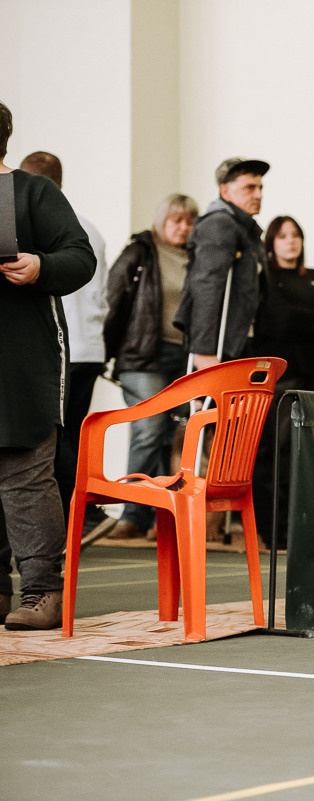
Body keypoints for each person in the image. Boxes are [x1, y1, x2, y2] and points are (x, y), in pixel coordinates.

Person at [0, 101, 97, 629]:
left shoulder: (35, 192)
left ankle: (41, 593)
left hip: (23, 357)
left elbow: (80, 256)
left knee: (25, 475)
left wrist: (41, 266)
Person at [99, 193, 200, 541]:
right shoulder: (140, 251)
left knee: (171, 436)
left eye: (189, 220)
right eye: (177, 219)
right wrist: (105, 352)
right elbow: (113, 301)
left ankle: (158, 517)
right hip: (141, 355)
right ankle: (129, 512)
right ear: (161, 221)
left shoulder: (198, 257)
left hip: (183, 358)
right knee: (150, 427)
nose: (184, 227)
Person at [17, 152, 110, 529]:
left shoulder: (33, 226)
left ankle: (84, 512)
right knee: (73, 434)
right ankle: (83, 512)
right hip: (91, 347)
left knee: (52, 441)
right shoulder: (90, 229)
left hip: (58, 347)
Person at [251, 215, 314, 545]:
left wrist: (310, 321)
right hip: (280, 380)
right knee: (275, 456)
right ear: (271, 243)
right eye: (282, 236)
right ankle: (274, 532)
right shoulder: (264, 279)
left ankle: (308, 531)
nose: (291, 241)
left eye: (296, 235)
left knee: (313, 456)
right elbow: (278, 321)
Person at [174, 157, 270, 369]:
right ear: (225, 191)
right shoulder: (220, 223)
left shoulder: (246, 228)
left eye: (260, 188)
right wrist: (202, 350)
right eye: (249, 188)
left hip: (241, 338)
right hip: (222, 344)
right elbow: (207, 284)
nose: (259, 195)